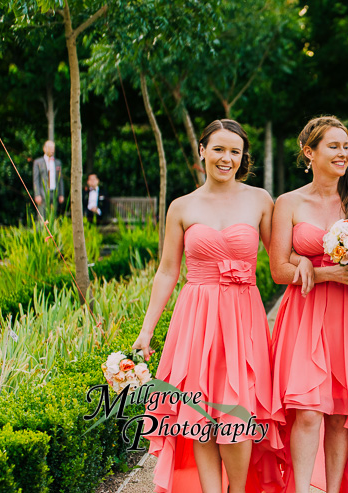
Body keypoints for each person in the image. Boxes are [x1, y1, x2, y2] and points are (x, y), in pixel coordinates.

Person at [132, 119, 282, 493]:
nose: (226, 158)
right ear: (202, 150)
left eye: (235, 151)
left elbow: (281, 263)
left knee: (237, 416)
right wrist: (147, 330)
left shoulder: (260, 200)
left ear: (243, 156)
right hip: (196, 319)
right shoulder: (182, 207)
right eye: (218, 149)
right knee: (198, 415)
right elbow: (167, 272)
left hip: (243, 319)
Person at [269, 116, 348, 493]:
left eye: (346, 146)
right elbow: (278, 270)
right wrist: (320, 271)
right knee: (309, 410)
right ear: (308, 152)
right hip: (305, 311)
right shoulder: (289, 202)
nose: (343, 153)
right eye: (333, 146)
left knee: (340, 414)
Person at [33, 140, 65, 220]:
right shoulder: (38, 162)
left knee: (53, 216)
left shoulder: (58, 163)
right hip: (43, 194)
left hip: (54, 193)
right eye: (50, 148)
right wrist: (37, 194)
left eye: (53, 148)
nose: (52, 150)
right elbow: (36, 179)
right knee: (42, 217)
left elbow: (60, 179)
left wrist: (61, 194)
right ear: (44, 149)